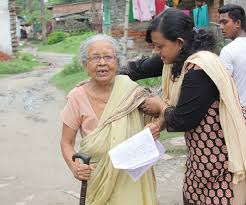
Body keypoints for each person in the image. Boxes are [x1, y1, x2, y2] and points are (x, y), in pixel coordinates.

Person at [139, 8, 246, 205]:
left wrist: (160, 106)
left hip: (220, 167)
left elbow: (182, 119)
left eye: (159, 46)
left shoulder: (199, 69)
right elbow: (143, 67)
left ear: (179, 42)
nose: (157, 51)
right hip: (200, 165)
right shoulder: (181, 61)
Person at [60, 34, 159, 205]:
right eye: (95, 58)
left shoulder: (131, 91)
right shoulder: (77, 97)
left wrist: (156, 126)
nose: (102, 63)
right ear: (85, 64)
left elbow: (161, 114)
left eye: (108, 57)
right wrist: (74, 166)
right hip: (99, 178)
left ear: (117, 62)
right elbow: (66, 142)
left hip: (131, 176)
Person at [218, 4, 246, 111]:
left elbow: (223, 87)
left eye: (224, 22)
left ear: (237, 23)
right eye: (220, 23)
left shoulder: (228, 51)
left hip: (239, 113)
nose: (221, 27)